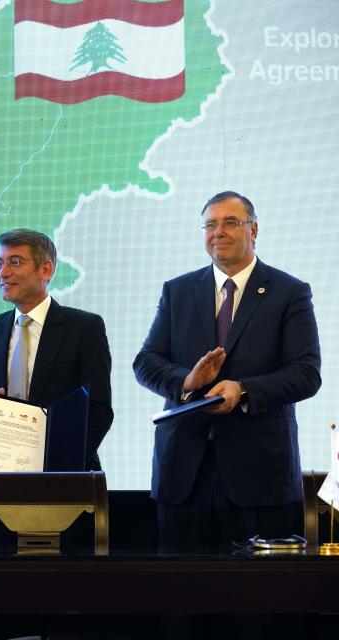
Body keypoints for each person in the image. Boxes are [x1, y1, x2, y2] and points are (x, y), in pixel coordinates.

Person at [133, 191, 321, 552]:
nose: (218, 232)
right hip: (183, 476)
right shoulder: (177, 291)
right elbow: (146, 362)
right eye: (210, 224)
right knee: (181, 600)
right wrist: (187, 381)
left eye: (230, 222)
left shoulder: (290, 292)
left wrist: (243, 390)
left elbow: (306, 373)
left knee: (257, 603)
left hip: (259, 478)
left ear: (254, 229)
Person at [0, 228, 113, 470]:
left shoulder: (84, 328)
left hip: (65, 481)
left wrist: (58, 465)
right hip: (0, 478)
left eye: (15, 262)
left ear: (46, 269)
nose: (2, 273)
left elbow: (98, 410)